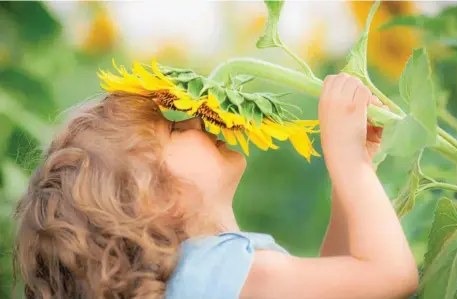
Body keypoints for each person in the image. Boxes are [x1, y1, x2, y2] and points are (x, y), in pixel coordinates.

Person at [13, 72, 418, 299]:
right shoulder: (217, 271)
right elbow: (389, 277)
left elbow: (341, 285)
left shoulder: (196, 281)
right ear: (153, 197)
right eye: (173, 128)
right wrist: (346, 160)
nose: (195, 118)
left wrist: (355, 168)